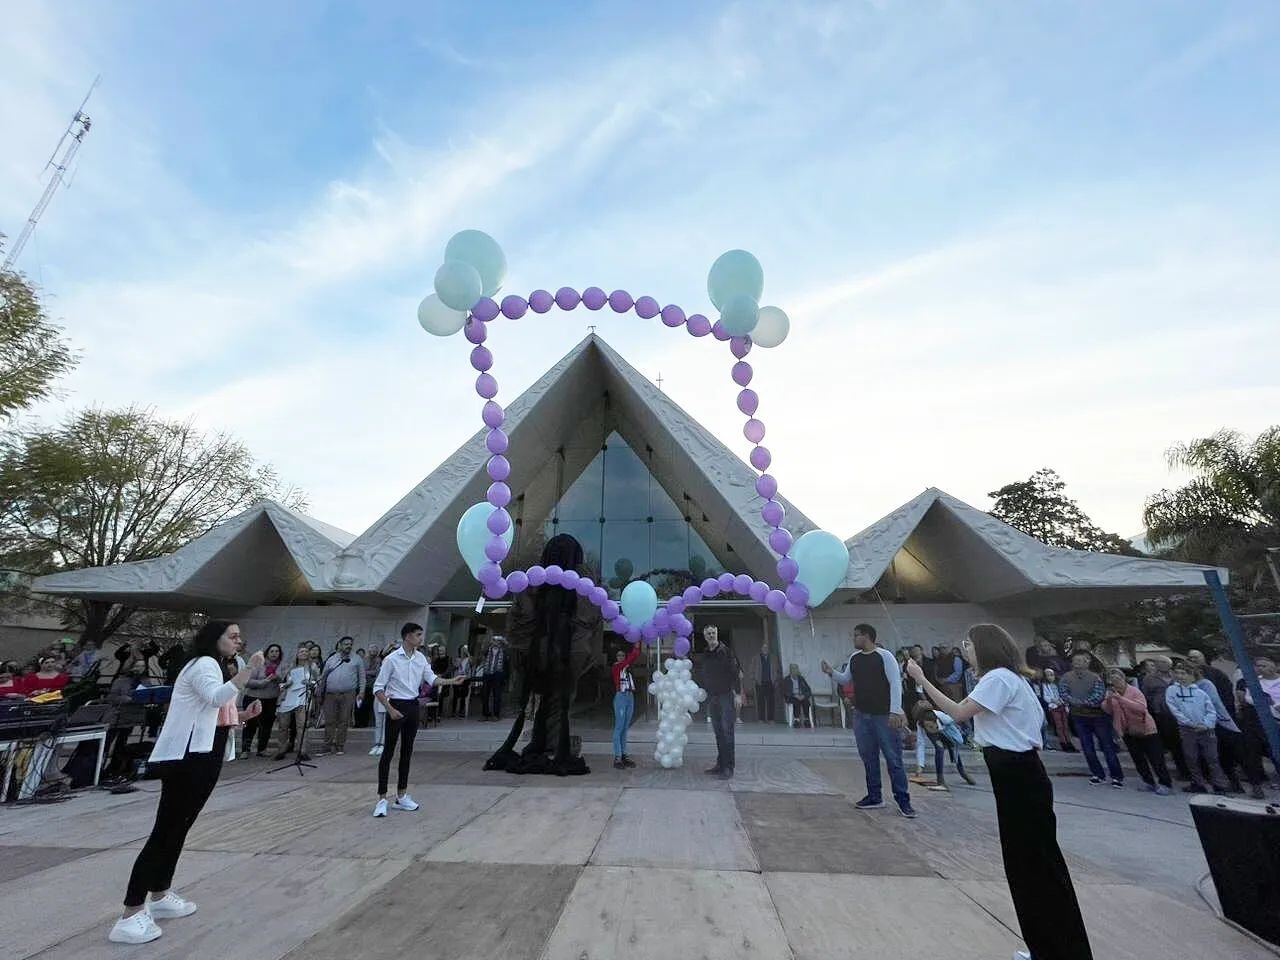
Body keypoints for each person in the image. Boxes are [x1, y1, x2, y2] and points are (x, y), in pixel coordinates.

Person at [906, 624, 1094, 960]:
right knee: (1030, 867)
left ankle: (1060, 950)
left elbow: (959, 711)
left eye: (970, 643)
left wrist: (921, 679)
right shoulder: (1008, 680)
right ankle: (1047, 947)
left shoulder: (999, 679)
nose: (966, 648)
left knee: (1034, 867)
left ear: (986, 647)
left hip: (1017, 776)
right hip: (1017, 775)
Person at [107, 622, 263, 945]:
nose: (238, 641)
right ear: (213, 639)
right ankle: (131, 911)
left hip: (204, 755)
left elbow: (214, 711)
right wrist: (251, 670)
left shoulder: (217, 666)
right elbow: (215, 695)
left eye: (239, 637)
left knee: (180, 827)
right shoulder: (204, 663)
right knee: (166, 829)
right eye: (232, 636)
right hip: (188, 759)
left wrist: (243, 716)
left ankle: (161, 893)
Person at [486, 534, 603, 776]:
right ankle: (552, 744)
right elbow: (589, 622)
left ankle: (547, 742)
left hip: (542, 652)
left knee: (549, 702)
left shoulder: (535, 582)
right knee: (560, 701)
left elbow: (521, 620)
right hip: (567, 653)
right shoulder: (582, 584)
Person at [822, 624, 915, 818]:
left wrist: (895, 711)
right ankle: (874, 796)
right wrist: (831, 672)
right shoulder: (854, 658)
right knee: (868, 757)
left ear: (867, 637)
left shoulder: (885, 656)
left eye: (856, 636)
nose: (853, 639)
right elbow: (845, 679)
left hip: (883, 715)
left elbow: (895, 683)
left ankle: (903, 801)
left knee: (893, 758)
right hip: (861, 714)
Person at [372, 623, 462, 816]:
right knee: (388, 752)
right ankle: (381, 798)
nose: (421, 638)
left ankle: (402, 795)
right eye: (418, 635)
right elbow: (378, 687)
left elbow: (432, 679)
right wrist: (390, 709)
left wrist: (451, 681)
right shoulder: (391, 659)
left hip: (413, 705)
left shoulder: (420, 658)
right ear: (407, 637)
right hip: (396, 704)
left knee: (407, 751)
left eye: (421, 635)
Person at [1101, 668, 1171, 795]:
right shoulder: (1112, 694)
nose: (1115, 682)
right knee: (1138, 758)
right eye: (1111, 680)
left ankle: (1165, 783)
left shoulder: (1134, 691)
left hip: (1146, 729)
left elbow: (1141, 708)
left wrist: (1121, 699)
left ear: (1123, 679)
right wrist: (1109, 700)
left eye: (1117, 679)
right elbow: (1108, 711)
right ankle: (1148, 782)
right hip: (1128, 730)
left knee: (1156, 758)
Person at [1192, 663, 1257, 797]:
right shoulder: (1190, 687)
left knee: (1239, 755)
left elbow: (1211, 703)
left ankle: (1255, 785)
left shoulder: (1205, 684)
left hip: (1222, 723)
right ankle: (1235, 784)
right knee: (1222, 756)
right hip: (1208, 725)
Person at [1060, 652, 1124, 787]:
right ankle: (1097, 774)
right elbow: (1063, 693)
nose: (1077, 663)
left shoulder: (1095, 677)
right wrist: (1075, 702)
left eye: (1080, 660)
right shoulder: (1066, 677)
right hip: (1079, 717)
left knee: (1107, 746)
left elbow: (1098, 695)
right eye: (1074, 660)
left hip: (1098, 716)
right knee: (1087, 747)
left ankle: (1116, 776)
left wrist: (1082, 702)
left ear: (1087, 663)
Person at [1166, 661, 1229, 794]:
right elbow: (1175, 709)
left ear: (1192, 676)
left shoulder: (1200, 692)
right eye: (1178, 673)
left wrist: (1206, 724)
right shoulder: (1172, 691)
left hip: (1206, 729)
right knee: (1191, 757)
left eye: (1184, 673)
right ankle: (1198, 783)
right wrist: (1189, 723)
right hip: (1187, 729)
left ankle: (1219, 785)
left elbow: (1211, 710)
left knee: (1212, 758)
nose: (1180, 676)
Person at [694, 625, 742, 779]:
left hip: (726, 696)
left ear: (717, 634)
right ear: (705, 635)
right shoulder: (706, 653)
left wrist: (738, 694)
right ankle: (720, 764)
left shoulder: (726, 651)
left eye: (713, 633)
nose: (711, 635)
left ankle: (729, 767)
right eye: (708, 633)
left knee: (728, 732)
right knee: (718, 732)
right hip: (712, 697)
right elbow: (703, 673)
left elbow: (735, 673)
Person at [1140, 657, 1190, 780]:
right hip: (1162, 715)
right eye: (1161, 663)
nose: (1164, 665)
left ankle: (1189, 771)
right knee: (1172, 745)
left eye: (1166, 663)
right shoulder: (1149, 679)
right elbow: (1145, 696)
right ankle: (1180, 772)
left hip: (1181, 713)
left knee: (1183, 744)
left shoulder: (1176, 676)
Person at [1237, 657, 1280, 788]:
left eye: (1264, 666)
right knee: (1254, 752)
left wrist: (1274, 704)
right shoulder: (1255, 682)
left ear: (1274, 666)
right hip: (1259, 721)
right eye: (1258, 666)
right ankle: (1256, 784)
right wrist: (1267, 703)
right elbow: (1248, 698)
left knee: (1276, 752)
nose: (1260, 668)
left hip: (1277, 720)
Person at [911, 702, 975, 790]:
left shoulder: (944, 718)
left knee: (953, 750)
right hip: (935, 736)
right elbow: (921, 744)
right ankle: (940, 780)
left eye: (932, 726)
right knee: (939, 749)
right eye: (927, 726)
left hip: (947, 732)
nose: (930, 728)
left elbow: (957, 737)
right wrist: (920, 765)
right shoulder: (920, 724)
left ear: (936, 721)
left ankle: (963, 772)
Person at [317, 636, 363, 755]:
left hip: (348, 694)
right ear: (340, 645)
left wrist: (361, 692)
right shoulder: (332, 659)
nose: (348, 646)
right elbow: (323, 677)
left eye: (350, 644)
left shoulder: (357, 659)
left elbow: (362, 677)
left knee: (344, 721)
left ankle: (340, 746)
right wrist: (319, 692)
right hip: (330, 695)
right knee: (329, 721)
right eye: (346, 644)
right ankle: (327, 746)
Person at [240, 644, 282, 758]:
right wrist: (263, 682)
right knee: (250, 725)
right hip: (253, 698)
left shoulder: (280, 666)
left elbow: (284, 680)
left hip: (271, 700)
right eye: (272, 651)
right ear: (267, 653)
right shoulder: (258, 664)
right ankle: (245, 750)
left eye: (277, 651)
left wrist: (278, 678)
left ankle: (262, 749)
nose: (274, 653)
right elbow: (247, 681)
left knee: (267, 726)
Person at [273, 647, 314, 761]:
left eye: (306, 651)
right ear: (297, 654)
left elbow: (317, 681)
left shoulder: (312, 667)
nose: (304, 653)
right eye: (301, 651)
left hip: (303, 696)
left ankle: (302, 751)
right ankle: (281, 750)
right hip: (289, 696)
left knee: (301, 725)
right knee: (283, 725)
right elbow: (283, 682)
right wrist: (286, 684)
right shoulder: (290, 667)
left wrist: (310, 683)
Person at [611, 642, 641, 769]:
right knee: (619, 727)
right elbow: (632, 657)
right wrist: (636, 647)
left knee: (625, 727)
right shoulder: (617, 667)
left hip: (629, 696)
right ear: (616, 658)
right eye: (619, 655)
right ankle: (617, 756)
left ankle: (624, 754)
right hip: (621, 697)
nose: (621, 657)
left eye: (623, 655)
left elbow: (632, 659)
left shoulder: (627, 668)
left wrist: (637, 648)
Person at [1033, 667, 1075, 752]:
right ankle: (1063, 743)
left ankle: (1069, 743)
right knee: (1059, 726)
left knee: (1065, 726)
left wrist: (1062, 701)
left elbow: (1062, 694)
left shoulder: (1057, 685)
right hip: (1054, 707)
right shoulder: (1044, 686)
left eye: (1051, 675)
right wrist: (1054, 701)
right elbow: (1045, 697)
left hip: (1062, 706)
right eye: (1048, 675)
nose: (1050, 677)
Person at [479, 635, 506, 721]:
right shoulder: (488, 650)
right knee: (485, 694)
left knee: (497, 695)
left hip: (497, 674)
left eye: (497, 641)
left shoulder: (503, 652)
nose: (495, 642)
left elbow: (507, 664)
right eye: (494, 640)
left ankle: (496, 715)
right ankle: (485, 714)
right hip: (487, 673)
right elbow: (482, 650)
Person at [782, 663, 813, 728]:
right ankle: (796, 720)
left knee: (806, 702)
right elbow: (785, 691)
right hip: (792, 697)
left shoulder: (801, 679)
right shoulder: (787, 679)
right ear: (790, 670)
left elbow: (808, 690)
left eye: (796, 668)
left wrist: (804, 695)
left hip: (801, 696)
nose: (794, 670)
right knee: (796, 702)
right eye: (793, 669)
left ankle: (807, 719)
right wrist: (794, 695)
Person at [755, 641, 777, 724]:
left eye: (766, 648)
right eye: (763, 648)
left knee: (771, 701)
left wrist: (775, 679)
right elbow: (752, 669)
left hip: (770, 682)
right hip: (760, 682)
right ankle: (761, 719)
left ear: (768, 649)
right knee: (760, 701)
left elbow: (777, 669)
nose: (765, 649)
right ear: (761, 649)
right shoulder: (757, 658)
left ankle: (771, 719)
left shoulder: (773, 658)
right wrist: (754, 678)